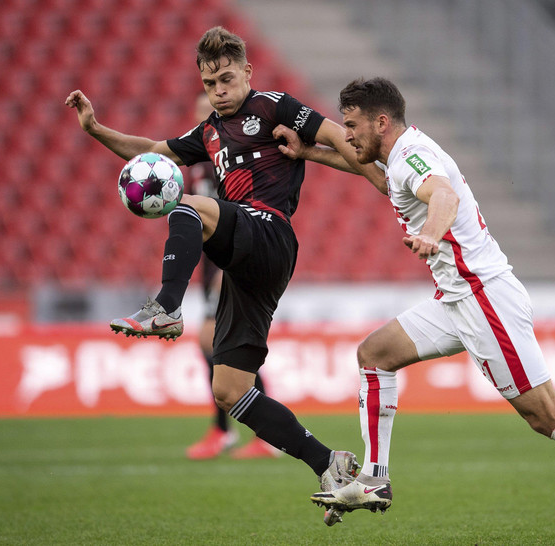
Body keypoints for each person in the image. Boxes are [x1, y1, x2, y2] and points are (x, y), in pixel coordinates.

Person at [274, 77, 555, 530]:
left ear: (381, 121)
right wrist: (309, 153)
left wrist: (432, 234)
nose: (347, 133)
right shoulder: (398, 159)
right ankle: (375, 478)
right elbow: (381, 180)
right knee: (374, 356)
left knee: (547, 416)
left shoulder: (413, 157)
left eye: (352, 125)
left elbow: (444, 195)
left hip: (482, 299)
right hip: (456, 300)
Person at [65, 27, 384, 505]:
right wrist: (95, 129)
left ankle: (167, 306)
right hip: (247, 264)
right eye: (210, 83)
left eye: (228, 80)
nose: (219, 91)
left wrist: (386, 183)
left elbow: (343, 140)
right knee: (230, 389)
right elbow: (152, 151)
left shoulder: (276, 106)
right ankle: (329, 466)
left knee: (187, 204)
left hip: (272, 231)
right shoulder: (207, 132)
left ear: (247, 73)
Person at [184, 94, 277, 461]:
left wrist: (226, 269)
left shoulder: (227, 160)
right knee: (218, 347)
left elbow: (237, 215)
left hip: (229, 262)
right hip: (212, 265)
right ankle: (243, 431)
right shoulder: (198, 159)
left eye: (205, 111)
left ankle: (233, 431)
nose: (200, 117)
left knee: (215, 344)